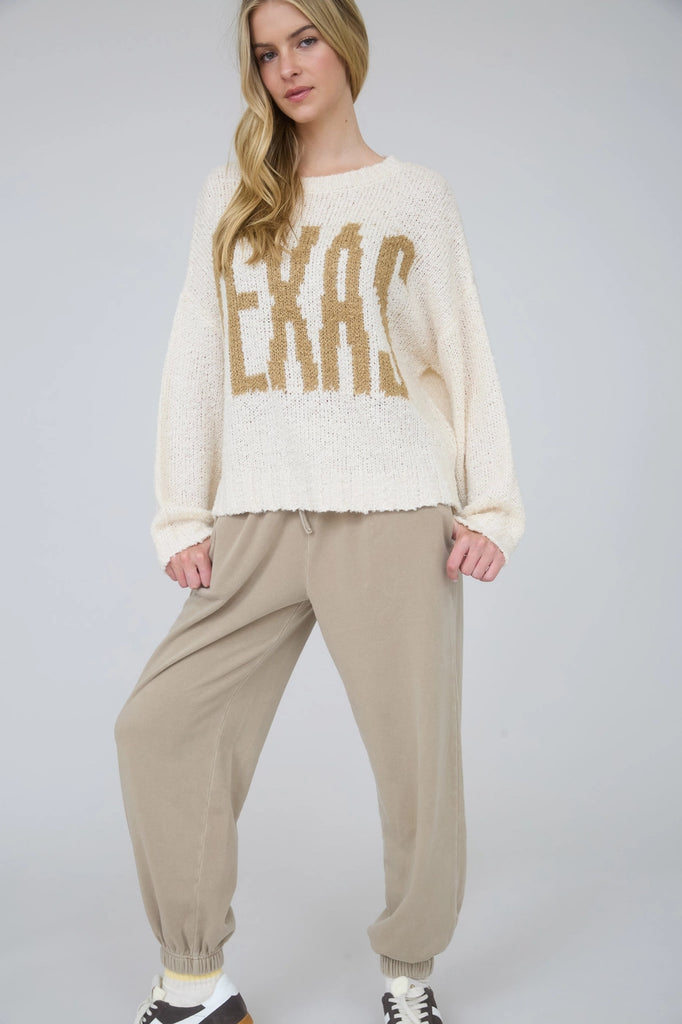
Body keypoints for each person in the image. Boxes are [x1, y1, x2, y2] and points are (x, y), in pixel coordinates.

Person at [114, 0, 525, 1021]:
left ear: (345, 45)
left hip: (392, 511)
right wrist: (183, 513)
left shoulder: (415, 198)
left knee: (416, 764)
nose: (287, 67)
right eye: (266, 52)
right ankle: (195, 983)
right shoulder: (230, 196)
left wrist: (491, 507)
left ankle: (408, 974)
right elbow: (195, 357)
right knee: (159, 726)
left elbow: (464, 350)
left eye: (304, 41)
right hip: (257, 513)